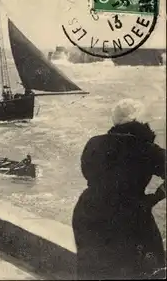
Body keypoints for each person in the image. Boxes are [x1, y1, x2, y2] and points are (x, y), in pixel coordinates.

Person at [72, 99, 166, 280]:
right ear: (139, 121)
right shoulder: (146, 148)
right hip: (129, 216)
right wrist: (155, 197)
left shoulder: (94, 143)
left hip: (88, 212)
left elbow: (87, 173)